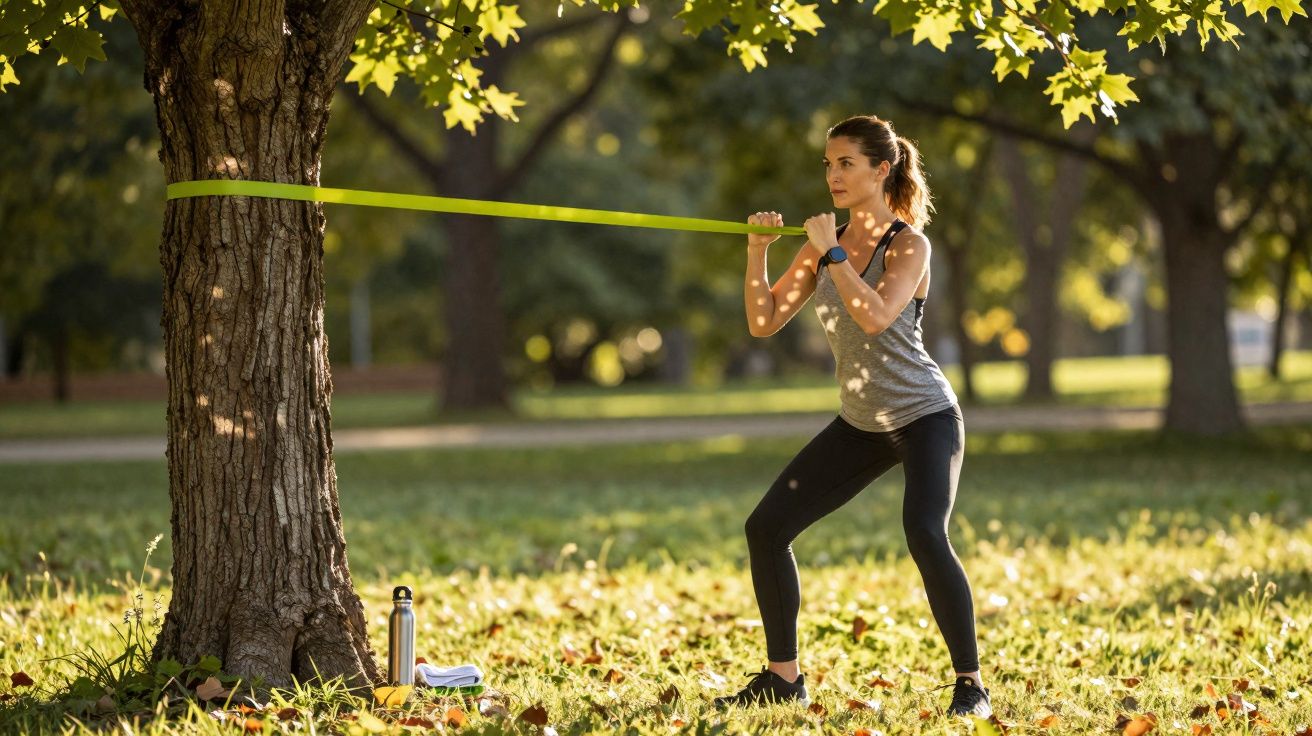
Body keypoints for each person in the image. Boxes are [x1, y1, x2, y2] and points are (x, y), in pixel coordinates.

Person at [712, 114, 991, 718]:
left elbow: (875, 316)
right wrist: (759, 253)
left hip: (925, 415)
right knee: (766, 528)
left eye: (846, 163)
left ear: (880, 169)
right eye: (828, 164)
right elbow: (764, 321)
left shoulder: (908, 244)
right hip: (863, 422)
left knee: (923, 531)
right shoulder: (822, 248)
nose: (833, 175)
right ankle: (783, 678)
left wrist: (832, 251)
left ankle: (971, 686)